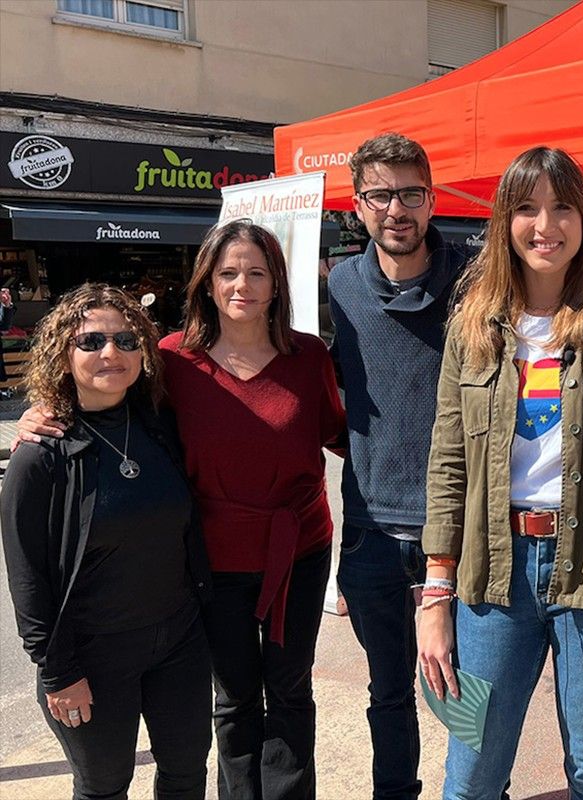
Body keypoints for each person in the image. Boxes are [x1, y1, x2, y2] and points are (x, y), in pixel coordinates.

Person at [18, 222, 347, 800]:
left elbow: (346, 437)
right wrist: (43, 412)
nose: (241, 284)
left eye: (255, 272)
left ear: (276, 283)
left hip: (297, 552)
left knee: (291, 691)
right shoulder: (174, 359)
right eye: (227, 273)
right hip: (213, 560)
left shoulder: (308, 356)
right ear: (207, 284)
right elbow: (105, 387)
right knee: (236, 696)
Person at [419, 145, 583, 799]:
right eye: (528, 208)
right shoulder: (471, 327)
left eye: (563, 206)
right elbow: (448, 462)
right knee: (470, 773)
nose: (547, 225)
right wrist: (435, 595)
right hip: (490, 581)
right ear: (504, 222)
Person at [1, 283, 213, 800]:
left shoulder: (161, 424)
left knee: (187, 774)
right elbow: (28, 579)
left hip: (180, 643)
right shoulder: (42, 454)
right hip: (90, 657)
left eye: (125, 340)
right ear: (62, 354)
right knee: (104, 786)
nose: (110, 353)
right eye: (91, 341)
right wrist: (57, 672)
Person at [330, 132, 470, 800]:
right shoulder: (340, 286)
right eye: (381, 194)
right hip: (371, 534)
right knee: (388, 693)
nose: (397, 208)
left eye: (410, 193)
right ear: (358, 205)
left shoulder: (475, 281)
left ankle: (480, 790)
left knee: (468, 693)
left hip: (466, 531)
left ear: (431, 197)